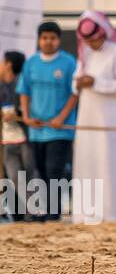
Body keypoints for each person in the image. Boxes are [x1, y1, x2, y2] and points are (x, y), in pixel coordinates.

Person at [70, 12, 116, 224]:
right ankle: (86, 213)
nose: (91, 44)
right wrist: (79, 83)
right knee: (86, 163)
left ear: (103, 34)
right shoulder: (85, 54)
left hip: (112, 123)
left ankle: (114, 214)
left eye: (94, 39)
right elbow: (75, 83)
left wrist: (96, 83)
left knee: (110, 165)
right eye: (87, 41)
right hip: (87, 121)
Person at [16, 21, 78, 221]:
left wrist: (60, 118)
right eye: (44, 38)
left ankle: (53, 212)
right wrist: (26, 116)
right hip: (36, 129)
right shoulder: (31, 63)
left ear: (59, 40)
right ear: (39, 40)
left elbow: (74, 94)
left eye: (52, 38)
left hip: (60, 129)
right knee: (40, 170)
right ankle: (41, 211)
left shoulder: (69, 63)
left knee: (54, 170)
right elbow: (24, 92)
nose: (48, 42)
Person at [1, 51, 30, 221]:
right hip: (7, 139)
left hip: (24, 138)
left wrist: (17, 113)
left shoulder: (21, 84)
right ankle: (18, 215)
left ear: (8, 64)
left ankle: (34, 212)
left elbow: (27, 107)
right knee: (12, 177)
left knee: (29, 175)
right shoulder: (2, 85)